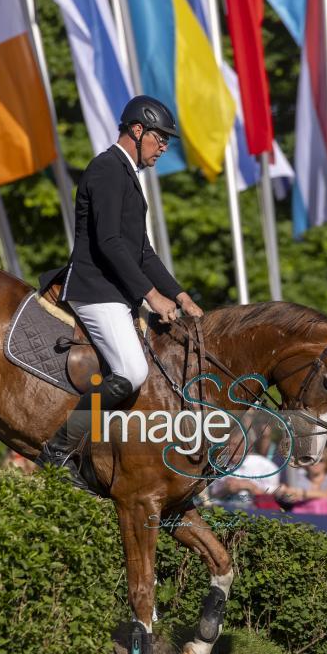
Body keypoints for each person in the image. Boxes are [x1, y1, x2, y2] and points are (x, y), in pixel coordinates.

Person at [36, 96, 203, 486]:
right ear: (137, 130)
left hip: (116, 290)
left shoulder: (129, 176)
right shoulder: (107, 169)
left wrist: (179, 295)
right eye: (160, 138)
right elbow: (110, 242)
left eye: (167, 141)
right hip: (95, 288)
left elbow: (142, 251)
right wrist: (152, 296)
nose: (164, 147)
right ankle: (58, 451)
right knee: (131, 370)